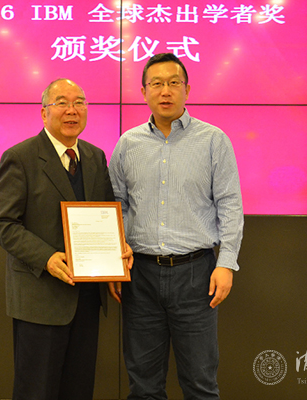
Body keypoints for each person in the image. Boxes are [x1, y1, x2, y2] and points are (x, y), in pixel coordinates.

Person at [108, 53, 244, 399]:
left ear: (187, 89)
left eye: (173, 83)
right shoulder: (128, 144)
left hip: (196, 275)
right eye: (156, 84)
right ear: (143, 91)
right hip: (140, 276)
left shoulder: (213, 140)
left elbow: (230, 204)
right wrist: (113, 262)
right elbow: (117, 205)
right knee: (143, 385)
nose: (165, 91)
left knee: (200, 383)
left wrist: (226, 263)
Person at [0, 78, 133, 400]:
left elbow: (105, 215)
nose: (72, 110)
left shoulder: (94, 157)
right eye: (62, 103)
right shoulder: (21, 157)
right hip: (40, 299)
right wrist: (47, 258)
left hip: (87, 297)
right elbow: (3, 223)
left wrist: (116, 251)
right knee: (36, 391)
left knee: (78, 390)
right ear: (44, 113)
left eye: (79, 102)